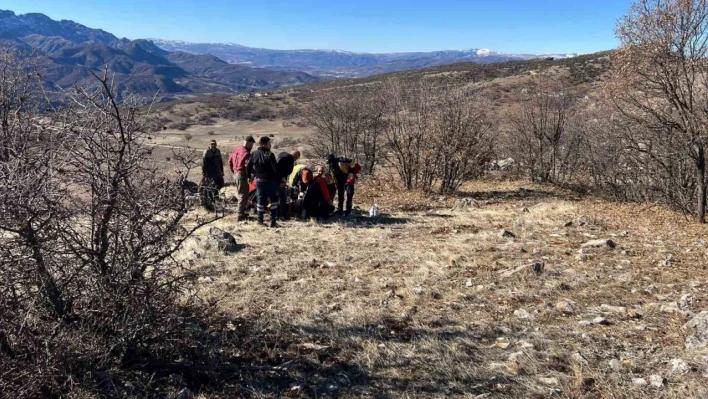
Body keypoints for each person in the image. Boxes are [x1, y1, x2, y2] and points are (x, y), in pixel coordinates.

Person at [246, 137, 280, 227]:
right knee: (273, 201)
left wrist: (249, 177)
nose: (270, 145)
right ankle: (273, 221)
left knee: (260, 200)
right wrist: (279, 180)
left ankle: (259, 220)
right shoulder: (270, 154)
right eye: (269, 143)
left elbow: (248, 166)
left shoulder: (254, 154)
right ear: (264, 144)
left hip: (259, 181)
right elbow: (275, 169)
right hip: (271, 181)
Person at [228, 136, 256, 221]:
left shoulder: (237, 149)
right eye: (251, 144)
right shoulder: (247, 154)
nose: (252, 147)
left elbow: (230, 161)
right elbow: (248, 167)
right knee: (243, 196)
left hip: (236, 174)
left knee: (241, 194)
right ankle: (240, 215)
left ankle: (242, 212)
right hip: (242, 175)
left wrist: (234, 171)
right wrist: (251, 176)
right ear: (248, 143)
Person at [276, 150, 301, 220]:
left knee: (277, 198)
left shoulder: (282, 155)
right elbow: (282, 169)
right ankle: (281, 214)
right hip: (280, 180)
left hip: (276, 179)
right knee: (282, 198)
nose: (296, 159)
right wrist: (282, 178)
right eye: (296, 157)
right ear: (294, 154)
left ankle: (277, 214)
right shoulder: (288, 159)